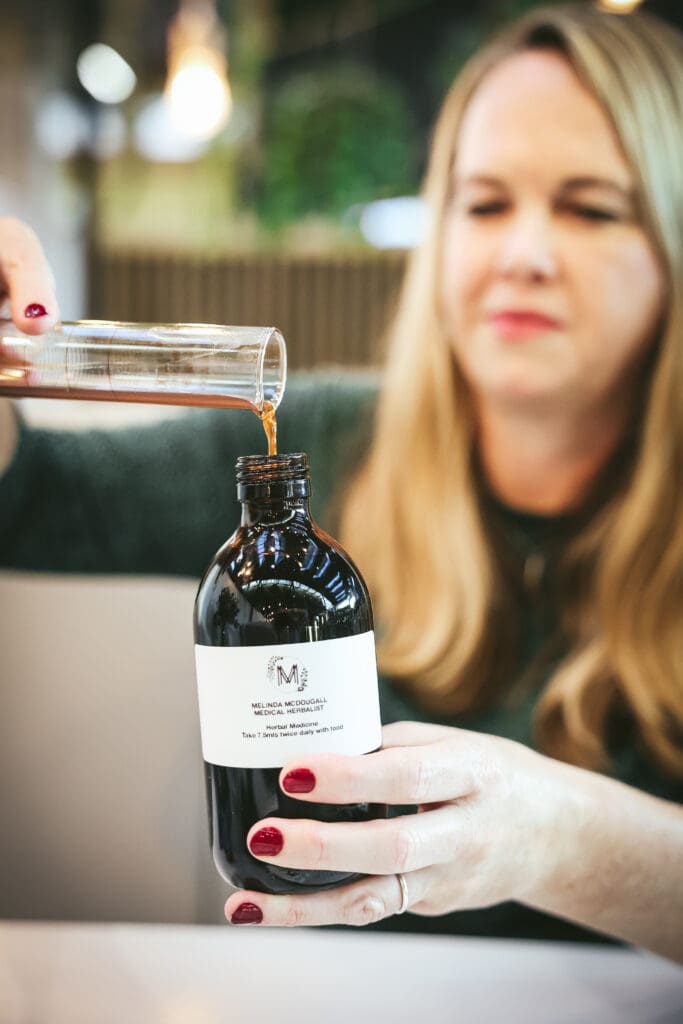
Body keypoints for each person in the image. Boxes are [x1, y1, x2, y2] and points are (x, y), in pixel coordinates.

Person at [1, 2, 682, 961]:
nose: (522, 255)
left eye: (590, 207)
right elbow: (25, 497)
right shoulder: (319, 438)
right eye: (483, 204)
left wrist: (559, 840)